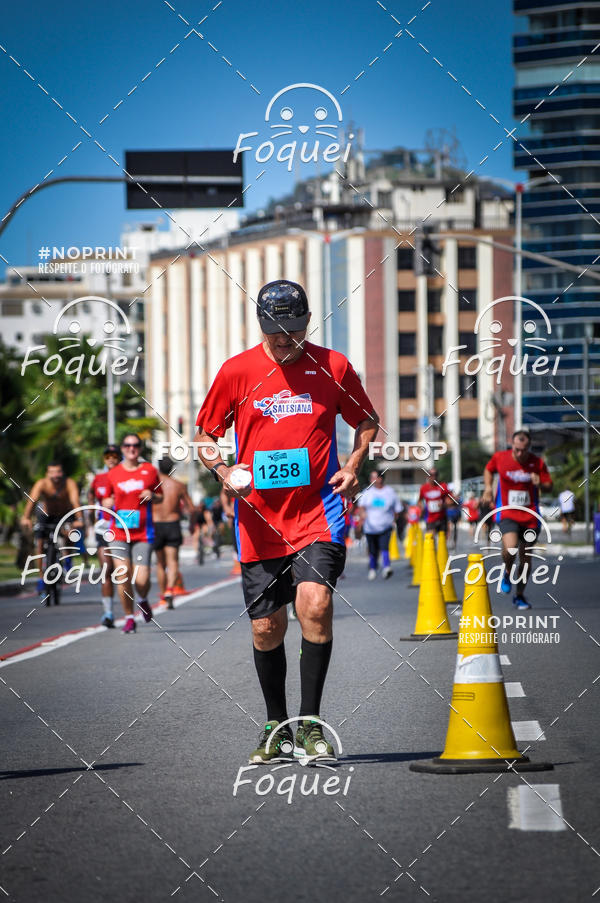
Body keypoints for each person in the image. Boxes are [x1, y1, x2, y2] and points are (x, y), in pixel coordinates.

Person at [194, 279, 379, 764]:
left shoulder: (333, 365)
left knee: (314, 604)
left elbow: (365, 420)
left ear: (308, 322)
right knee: (266, 629)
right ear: (261, 325)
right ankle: (277, 726)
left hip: (319, 511)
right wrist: (223, 469)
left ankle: (311, 723)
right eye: (276, 331)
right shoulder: (236, 372)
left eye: (294, 330)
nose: (285, 340)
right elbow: (205, 436)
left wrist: (354, 465)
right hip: (257, 519)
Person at [482, 429, 553, 610]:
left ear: (529, 448)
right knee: (511, 548)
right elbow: (488, 470)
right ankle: (506, 572)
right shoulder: (500, 458)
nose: (520, 453)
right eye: (516, 449)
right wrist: (488, 489)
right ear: (512, 446)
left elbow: (549, 486)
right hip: (508, 513)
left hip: (530, 515)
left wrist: (540, 483)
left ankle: (519, 595)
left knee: (525, 559)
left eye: (524, 450)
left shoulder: (537, 463)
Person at [104, 434, 163, 634]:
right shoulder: (113, 473)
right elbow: (105, 499)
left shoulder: (149, 471)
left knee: (142, 579)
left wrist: (152, 495)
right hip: (118, 532)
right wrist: (107, 503)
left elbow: (160, 497)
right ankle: (129, 618)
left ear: (140, 448)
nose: (131, 448)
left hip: (142, 534)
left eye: (135, 445)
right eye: (128, 445)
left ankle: (143, 599)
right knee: (123, 575)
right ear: (122, 448)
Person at [20, 462, 82, 597]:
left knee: (70, 533)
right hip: (46, 516)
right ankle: (42, 579)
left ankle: (68, 560)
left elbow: (75, 501)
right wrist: (26, 517)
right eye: (52, 472)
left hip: (65, 515)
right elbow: (32, 500)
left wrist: (79, 519)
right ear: (47, 474)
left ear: (62, 472)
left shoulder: (69, 483)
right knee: (40, 545)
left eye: (58, 472)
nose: (56, 475)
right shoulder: (42, 484)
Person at [151, 457, 194, 609]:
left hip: (156, 525)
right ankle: (170, 590)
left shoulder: (152, 486)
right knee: (173, 561)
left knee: (160, 563)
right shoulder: (179, 485)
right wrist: (192, 525)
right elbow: (191, 508)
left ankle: (164, 594)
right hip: (173, 524)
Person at [88, 444, 121, 627]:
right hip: (104, 529)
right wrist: (92, 521)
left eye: (114, 455)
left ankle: (130, 611)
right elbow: (91, 496)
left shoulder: (126, 476)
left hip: (124, 528)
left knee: (124, 572)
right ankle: (108, 612)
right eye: (107, 455)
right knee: (106, 570)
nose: (111, 458)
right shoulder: (98, 479)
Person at [358, 470, 402, 580]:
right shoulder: (367, 492)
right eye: (371, 478)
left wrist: (394, 519)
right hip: (370, 527)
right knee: (372, 549)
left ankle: (386, 567)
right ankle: (372, 569)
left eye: (374, 477)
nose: (372, 480)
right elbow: (361, 507)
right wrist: (362, 515)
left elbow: (397, 509)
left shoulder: (390, 492)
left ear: (380, 479)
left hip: (385, 526)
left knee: (384, 547)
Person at [418, 467, 450, 533]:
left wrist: (444, 504)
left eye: (435, 474)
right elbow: (419, 500)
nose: (434, 476)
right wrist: (421, 508)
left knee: (442, 540)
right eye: (431, 474)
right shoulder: (423, 488)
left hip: (442, 518)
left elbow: (450, 499)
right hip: (430, 518)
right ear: (428, 476)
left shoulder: (443, 486)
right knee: (430, 539)